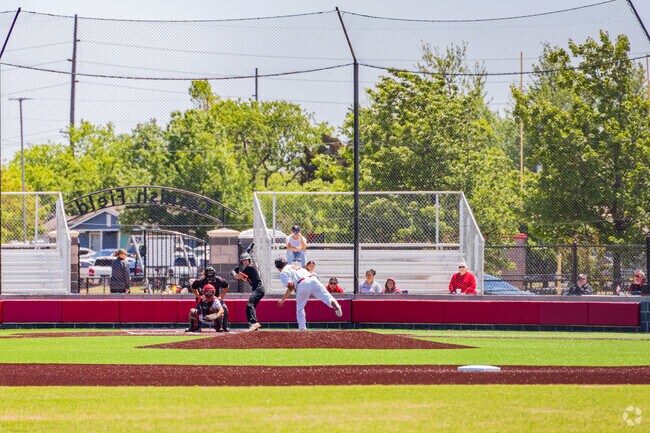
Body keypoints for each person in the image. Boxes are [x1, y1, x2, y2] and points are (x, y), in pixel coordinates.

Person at [275, 257, 342, 331]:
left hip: (302, 283)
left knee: (300, 308)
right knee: (327, 296)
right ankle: (336, 305)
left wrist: (283, 300)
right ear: (285, 263)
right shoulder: (293, 266)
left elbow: (291, 287)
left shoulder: (283, 272)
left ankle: (302, 329)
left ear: (278, 268)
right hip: (313, 279)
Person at [232, 253, 265, 331]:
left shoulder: (249, 267)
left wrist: (233, 273)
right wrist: (238, 273)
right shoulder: (249, 268)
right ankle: (254, 326)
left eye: (246, 260)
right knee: (250, 307)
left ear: (249, 260)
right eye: (243, 261)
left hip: (258, 289)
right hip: (258, 289)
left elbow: (239, 277)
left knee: (250, 305)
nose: (245, 262)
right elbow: (244, 279)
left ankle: (254, 323)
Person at [191, 266, 230, 332]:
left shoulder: (219, 280)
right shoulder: (201, 280)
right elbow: (193, 287)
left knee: (224, 308)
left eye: (211, 277)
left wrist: (221, 296)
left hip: (215, 300)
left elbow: (227, 286)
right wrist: (198, 295)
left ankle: (223, 326)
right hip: (204, 300)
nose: (209, 279)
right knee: (197, 310)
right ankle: (196, 327)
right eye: (208, 277)